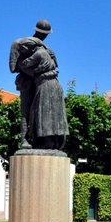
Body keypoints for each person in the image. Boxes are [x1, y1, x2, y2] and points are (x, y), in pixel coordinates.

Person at [9, 19, 69, 150]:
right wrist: (32, 72)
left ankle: (42, 140)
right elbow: (13, 67)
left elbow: (53, 64)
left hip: (43, 82)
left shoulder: (45, 49)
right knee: (27, 112)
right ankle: (24, 140)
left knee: (43, 113)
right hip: (30, 82)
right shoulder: (20, 44)